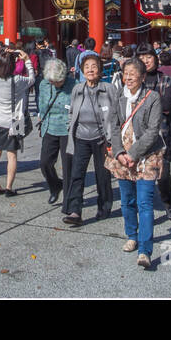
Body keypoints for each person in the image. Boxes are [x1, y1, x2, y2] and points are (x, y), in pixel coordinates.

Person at [107, 58, 164, 269]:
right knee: (126, 200)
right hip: (123, 156)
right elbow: (112, 127)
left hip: (146, 155)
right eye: (126, 73)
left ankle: (145, 250)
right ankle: (132, 235)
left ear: (142, 76)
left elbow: (152, 130)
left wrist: (133, 153)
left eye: (133, 73)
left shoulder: (152, 98)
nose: (128, 77)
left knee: (145, 202)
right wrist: (120, 153)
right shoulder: (118, 97)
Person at [62, 52, 116, 226]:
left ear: (100, 70)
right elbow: (71, 112)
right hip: (81, 137)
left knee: (103, 175)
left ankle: (104, 206)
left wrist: (114, 138)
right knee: (77, 174)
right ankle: (74, 211)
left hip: (102, 139)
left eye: (94, 66)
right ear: (82, 70)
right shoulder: (78, 89)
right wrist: (70, 127)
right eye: (87, 67)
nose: (90, 70)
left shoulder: (109, 89)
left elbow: (116, 114)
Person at [140, 49, 171, 221]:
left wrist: (144, 106)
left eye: (149, 57)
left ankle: (167, 201)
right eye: (141, 58)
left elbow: (167, 104)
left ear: (156, 60)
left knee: (163, 173)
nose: (145, 61)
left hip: (161, 133)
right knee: (140, 173)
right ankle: (144, 209)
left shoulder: (166, 80)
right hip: (139, 134)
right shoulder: (133, 81)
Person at [0, 50, 30, 196]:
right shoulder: (17, 80)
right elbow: (32, 79)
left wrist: (1, 55)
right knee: (12, 155)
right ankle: (9, 187)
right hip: (15, 120)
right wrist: (27, 60)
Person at [37, 57, 75, 205]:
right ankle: (55, 185)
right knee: (45, 163)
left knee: (68, 167)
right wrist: (41, 121)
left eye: (57, 81)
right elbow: (41, 105)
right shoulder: (44, 85)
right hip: (49, 127)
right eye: (52, 81)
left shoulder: (74, 85)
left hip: (67, 129)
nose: (54, 84)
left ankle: (68, 200)